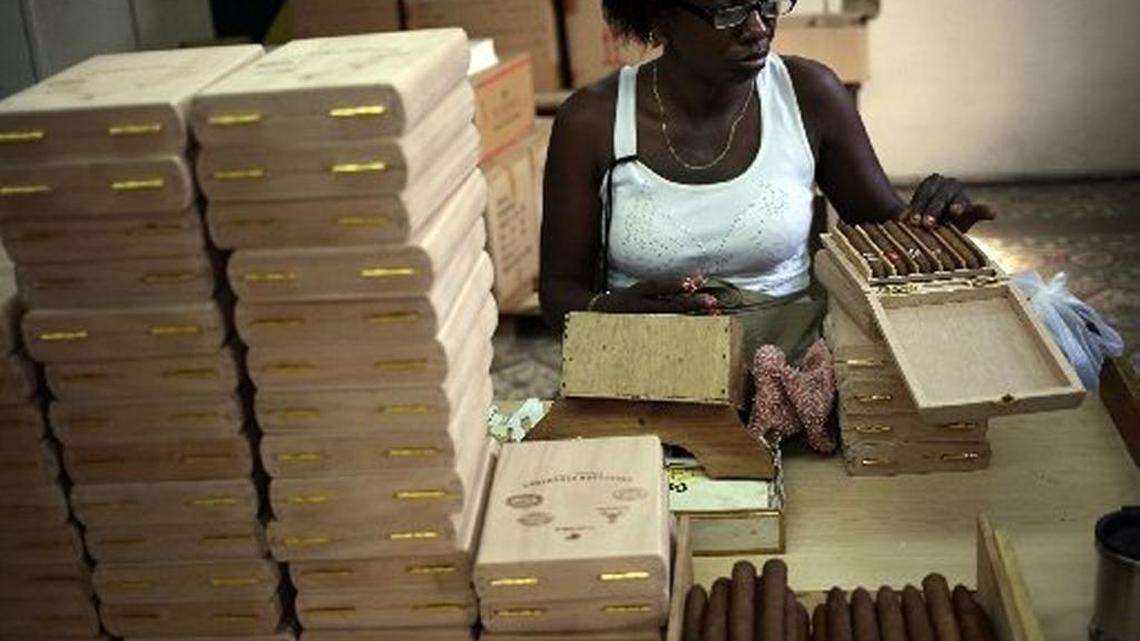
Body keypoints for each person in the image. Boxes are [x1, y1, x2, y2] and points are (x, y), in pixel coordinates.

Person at [539, 0, 996, 338]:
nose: (758, 29)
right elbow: (559, 291)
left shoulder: (808, 95)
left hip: (792, 377)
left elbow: (880, 228)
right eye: (728, 10)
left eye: (768, 3)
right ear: (659, 14)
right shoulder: (593, 121)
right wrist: (610, 311)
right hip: (649, 375)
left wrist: (933, 226)